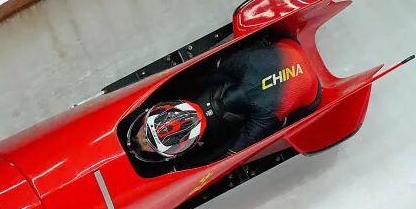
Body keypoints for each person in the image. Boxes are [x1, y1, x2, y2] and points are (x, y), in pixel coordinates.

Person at [129, 36, 322, 162]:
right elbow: (222, 64)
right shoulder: (241, 66)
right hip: (287, 48)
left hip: (310, 89)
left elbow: (238, 148)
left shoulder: (265, 114)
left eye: (144, 138)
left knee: (268, 126)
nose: (142, 141)